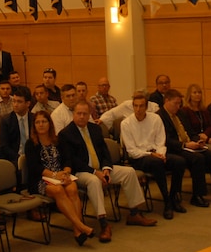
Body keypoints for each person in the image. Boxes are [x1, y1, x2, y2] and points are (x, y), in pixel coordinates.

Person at [58, 101, 156, 242]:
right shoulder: (65, 134)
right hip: (81, 172)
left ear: (89, 115)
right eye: (78, 113)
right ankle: (103, 223)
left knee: (129, 172)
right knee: (94, 181)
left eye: (84, 114)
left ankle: (135, 213)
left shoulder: (95, 129)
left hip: (101, 168)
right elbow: (72, 161)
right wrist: (94, 172)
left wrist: (106, 169)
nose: (81, 116)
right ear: (73, 114)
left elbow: (105, 152)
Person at [25, 110, 93, 244]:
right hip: (41, 180)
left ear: (49, 124)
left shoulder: (58, 140)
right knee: (58, 190)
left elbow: (68, 159)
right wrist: (55, 175)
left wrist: (66, 172)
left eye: (44, 121)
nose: (41, 124)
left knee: (72, 189)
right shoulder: (30, 144)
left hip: (62, 176)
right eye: (37, 122)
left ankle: (77, 230)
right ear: (34, 125)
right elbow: (35, 168)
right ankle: (80, 226)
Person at [120, 92, 186, 220]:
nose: (138, 109)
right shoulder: (126, 124)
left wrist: (160, 154)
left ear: (146, 107)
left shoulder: (155, 119)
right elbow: (132, 151)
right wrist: (152, 154)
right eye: (135, 106)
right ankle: (167, 201)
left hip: (158, 154)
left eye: (141, 106)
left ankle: (173, 197)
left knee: (180, 162)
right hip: (139, 158)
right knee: (157, 163)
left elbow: (161, 141)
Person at [160, 89, 211, 206]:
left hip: (189, 144)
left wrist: (198, 140)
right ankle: (198, 195)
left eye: (179, 104)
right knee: (198, 159)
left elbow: (190, 132)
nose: (178, 106)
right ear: (167, 101)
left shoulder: (180, 113)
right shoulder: (160, 116)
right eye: (175, 103)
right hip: (176, 148)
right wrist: (185, 145)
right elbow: (165, 140)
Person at [0, 91, 32, 167]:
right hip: (12, 158)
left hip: (31, 157)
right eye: (14, 101)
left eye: (19, 102)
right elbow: (4, 146)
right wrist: (20, 158)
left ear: (28, 104)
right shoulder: (6, 120)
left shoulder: (34, 119)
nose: (15, 105)